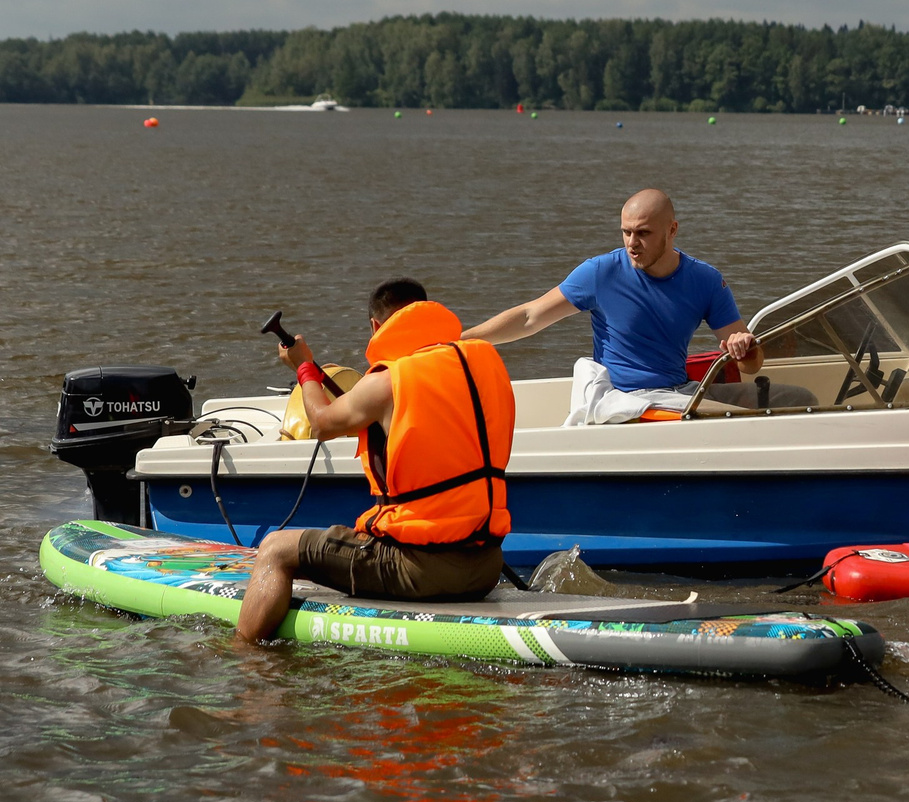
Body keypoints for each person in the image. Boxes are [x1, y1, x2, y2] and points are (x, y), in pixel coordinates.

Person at [236, 278, 514, 641]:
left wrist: (304, 367)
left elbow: (320, 423)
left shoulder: (387, 381)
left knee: (274, 550)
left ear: (376, 327)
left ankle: (243, 662)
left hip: (419, 569)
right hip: (485, 567)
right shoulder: (484, 359)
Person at [465, 188, 809, 421]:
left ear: (672, 230)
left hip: (676, 392)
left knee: (799, 399)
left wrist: (743, 348)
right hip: (622, 398)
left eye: (643, 233)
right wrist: (460, 340)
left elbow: (752, 364)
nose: (632, 243)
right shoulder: (600, 272)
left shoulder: (705, 280)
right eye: (626, 232)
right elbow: (529, 317)